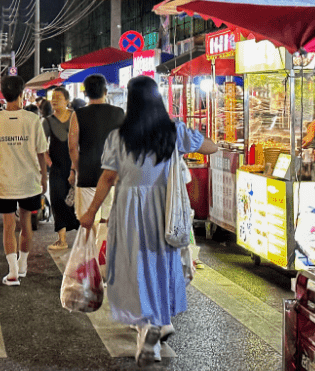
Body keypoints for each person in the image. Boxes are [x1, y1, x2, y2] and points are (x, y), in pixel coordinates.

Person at [79, 76, 216, 366]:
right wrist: (190, 135)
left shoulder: (118, 136)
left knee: (133, 267)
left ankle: (147, 329)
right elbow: (211, 147)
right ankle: (159, 322)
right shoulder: (173, 132)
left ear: (130, 102)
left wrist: (91, 212)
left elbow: (107, 177)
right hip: (164, 209)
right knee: (162, 264)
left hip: (129, 208)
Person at [0, 75, 48, 286]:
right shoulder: (33, 120)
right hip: (29, 181)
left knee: (8, 226)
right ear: (21, 94)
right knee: (26, 223)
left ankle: (12, 272)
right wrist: (44, 177)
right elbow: (41, 152)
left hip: (4, 182)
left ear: (3, 94)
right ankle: (23, 265)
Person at [69, 74, 125, 230]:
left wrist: (79, 168)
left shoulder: (78, 115)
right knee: (110, 224)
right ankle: (106, 253)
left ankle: (91, 252)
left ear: (85, 93)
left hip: (87, 174)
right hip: (113, 175)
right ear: (105, 91)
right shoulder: (119, 113)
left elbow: (73, 146)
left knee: (88, 223)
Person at [43, 86, 79, 250]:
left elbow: (80, 143)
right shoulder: (48, 121)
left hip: (76, 165)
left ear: (67, 100)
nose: (55, 100)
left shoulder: (75, 117)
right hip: (57, 167)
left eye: (58, 97)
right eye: (53, 97)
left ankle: (82, 239)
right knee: (57, 200)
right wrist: (50, 164)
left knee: (77, 202)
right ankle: (62, 239)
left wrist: (74, 167)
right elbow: (42, 146)